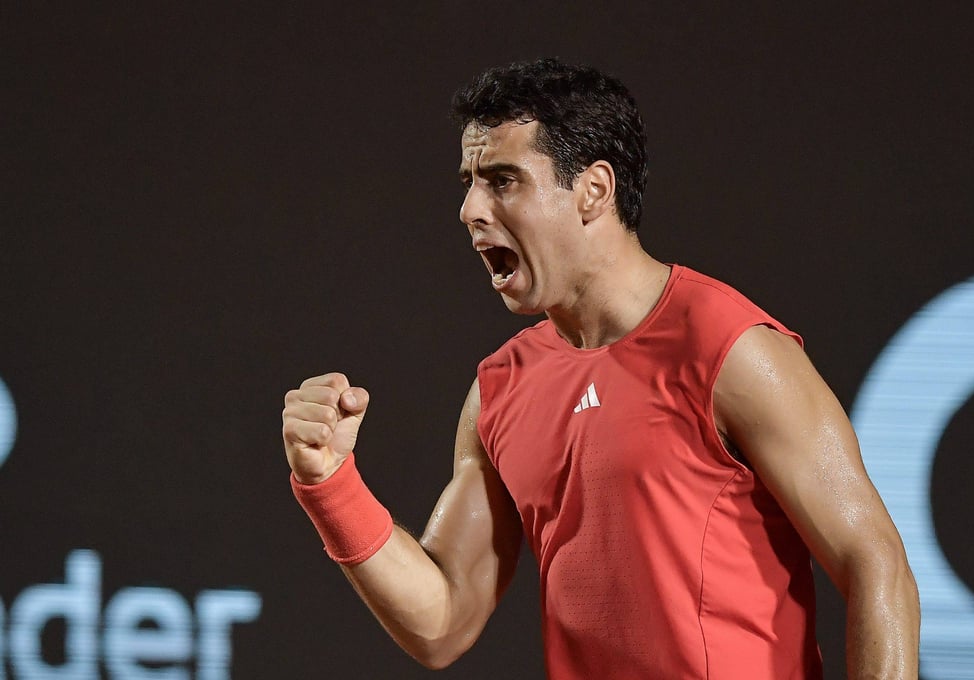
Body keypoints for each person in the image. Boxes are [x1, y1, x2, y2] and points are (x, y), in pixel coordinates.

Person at [282, 58, 919, 679]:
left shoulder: (733, 350)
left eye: (503, 180)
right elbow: (442, 621)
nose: (470, 209)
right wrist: (331, 484)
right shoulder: (501, 389)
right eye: (469, 182)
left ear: (593, 191)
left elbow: (874, 563)